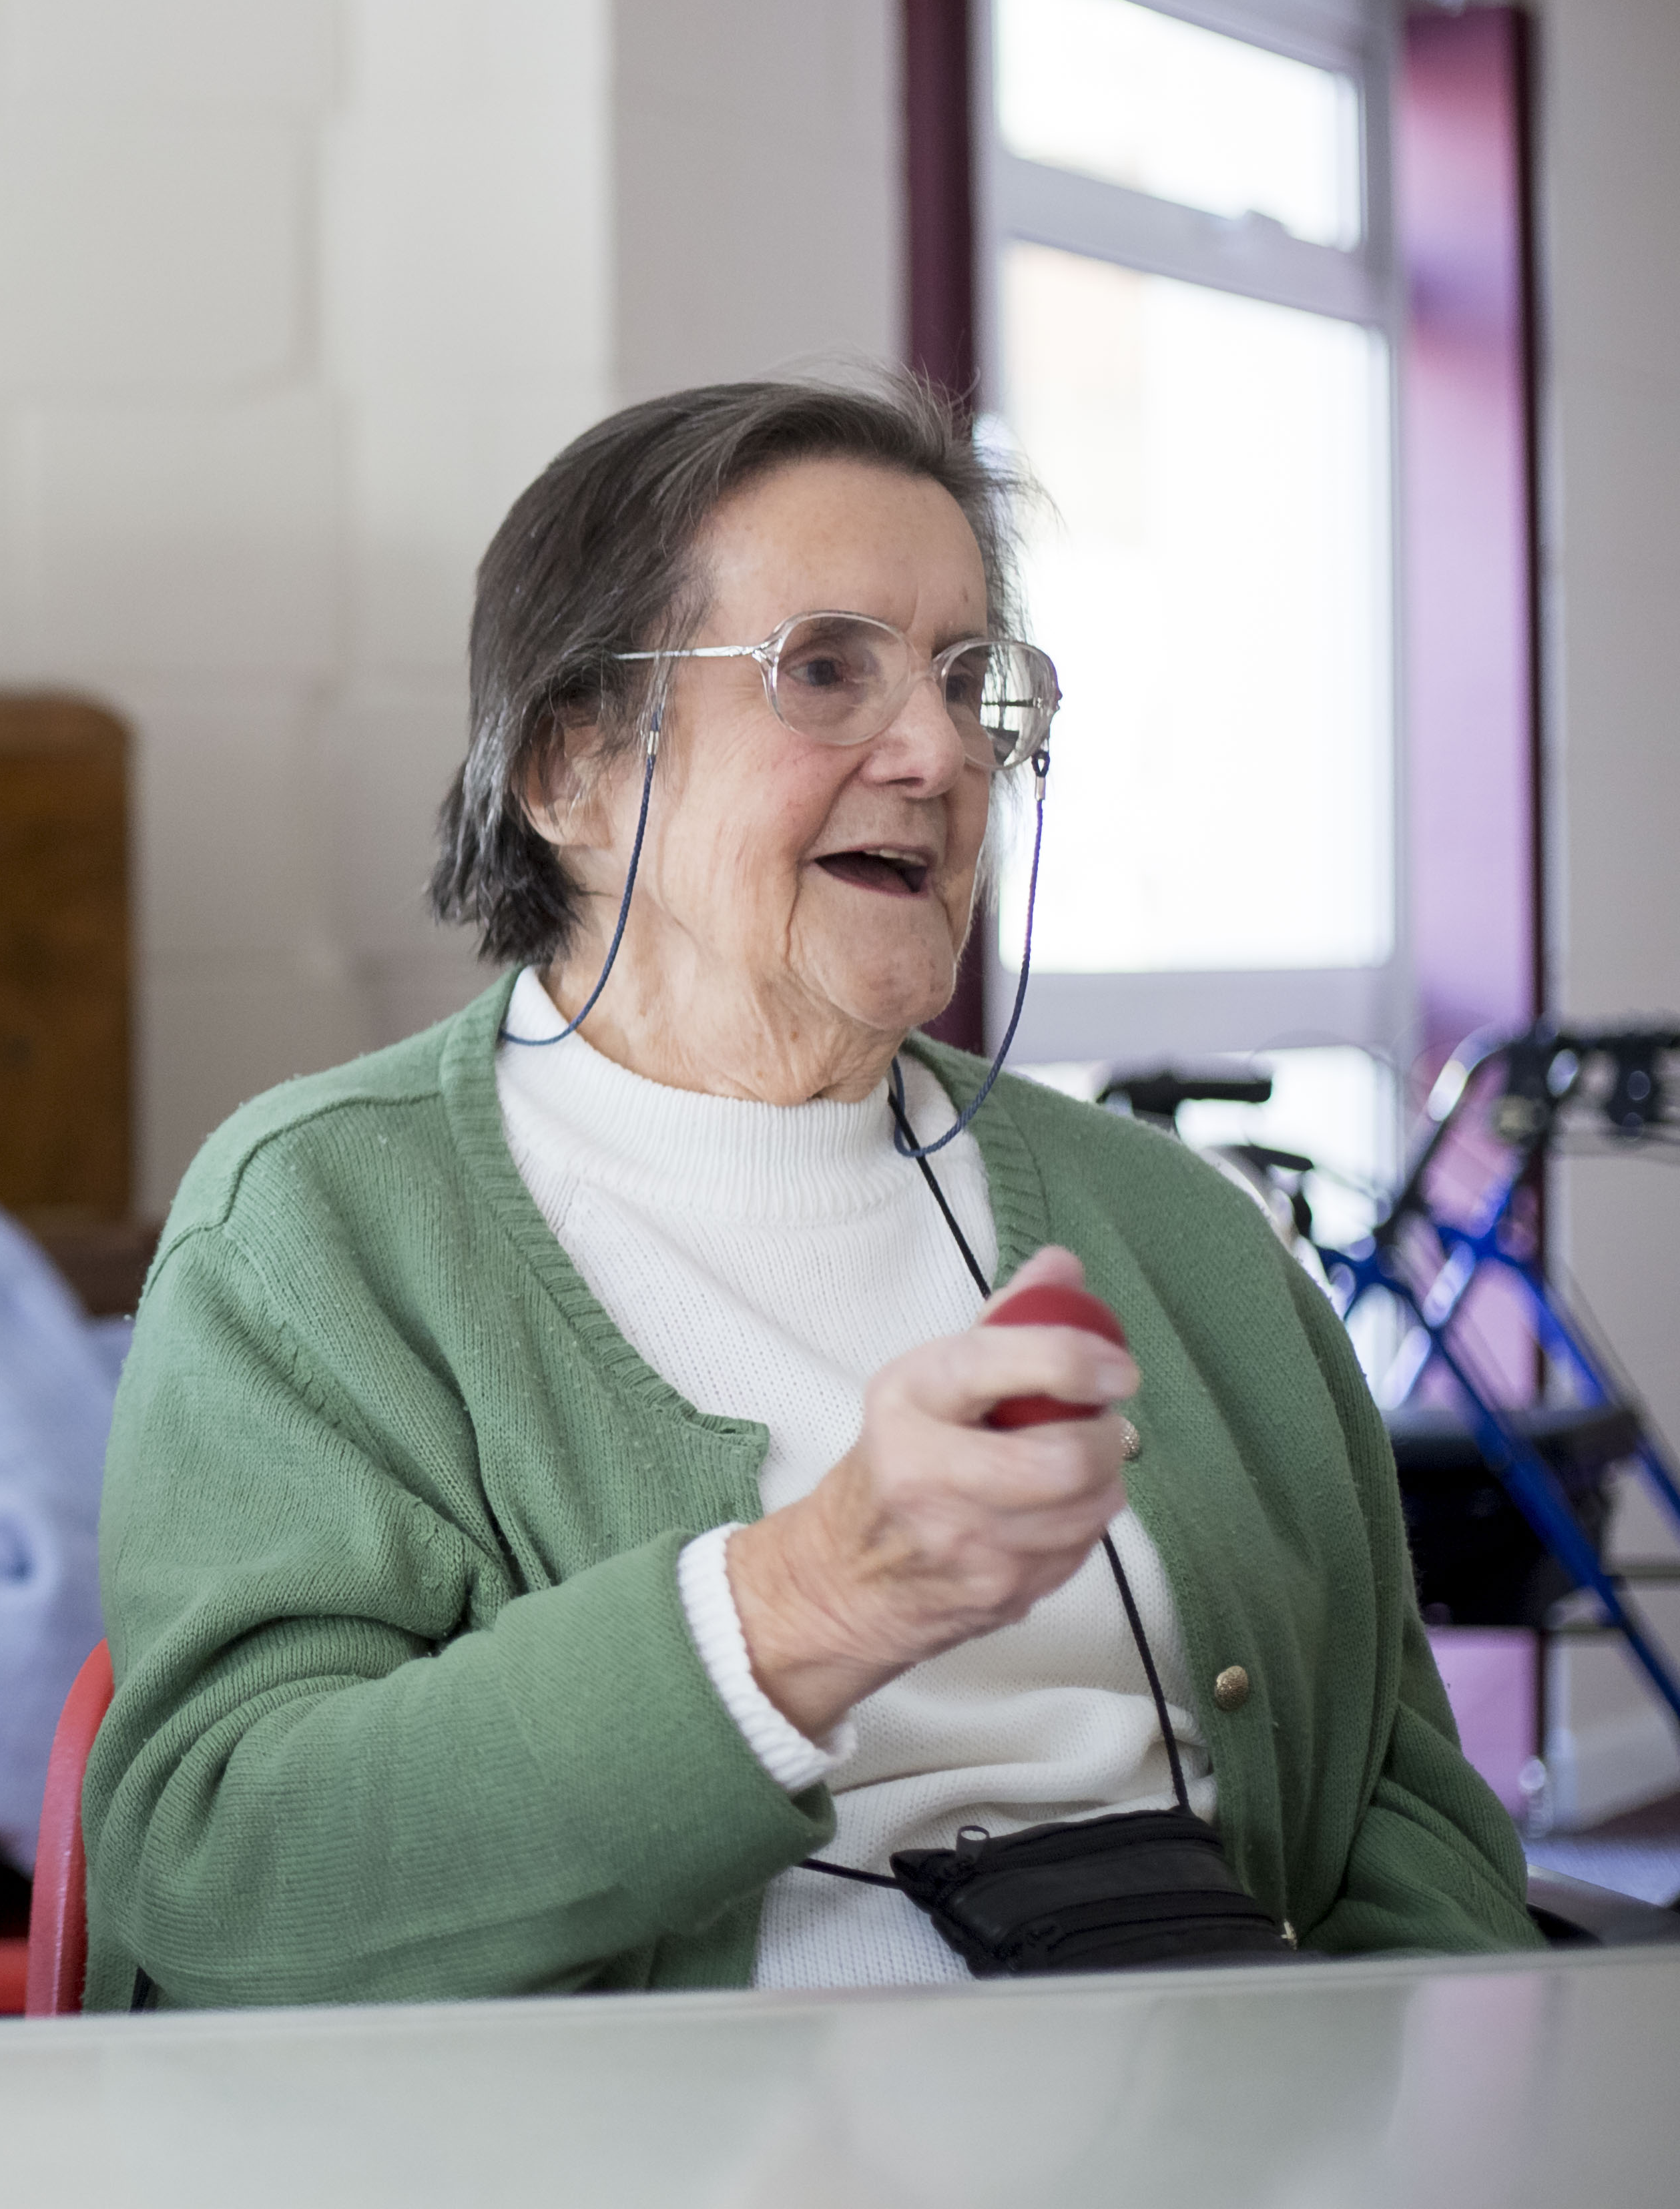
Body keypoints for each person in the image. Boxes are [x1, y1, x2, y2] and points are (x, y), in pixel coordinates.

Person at [83, 374, 1535, 2007]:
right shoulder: (322, 1233)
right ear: (571, 771)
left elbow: (1402, 1832)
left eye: (972, 680)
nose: (934, 753)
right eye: (826, 671)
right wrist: (809, 1600)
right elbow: (221, 1876)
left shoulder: (1184, 1237)